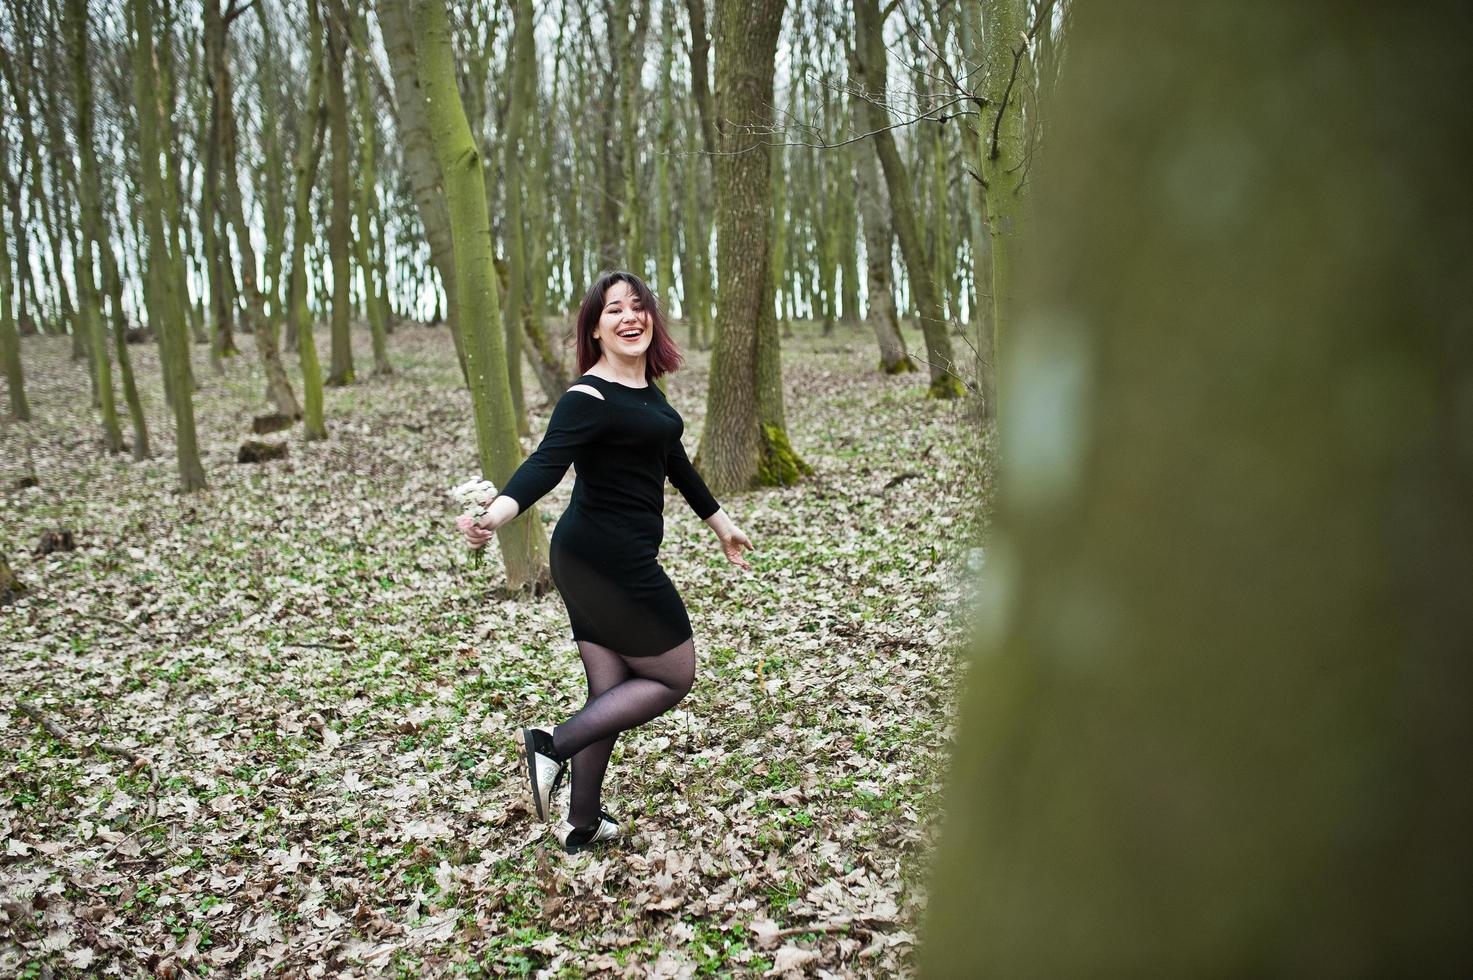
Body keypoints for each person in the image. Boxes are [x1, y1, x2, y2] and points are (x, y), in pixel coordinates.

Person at [460, 270, 755, 854]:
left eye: (638, 306)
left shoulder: (648, 393)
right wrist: (494, 516)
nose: (630, 317)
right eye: (614, 309)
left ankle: (583, 821)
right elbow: (546, 464)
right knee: (674, 674)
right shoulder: (587, 397)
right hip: (606, 560)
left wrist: (721, 525)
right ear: (595, 329)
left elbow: (675, 463)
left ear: (652, 320)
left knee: (612, 690)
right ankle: (553, 744)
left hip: (595, 557)